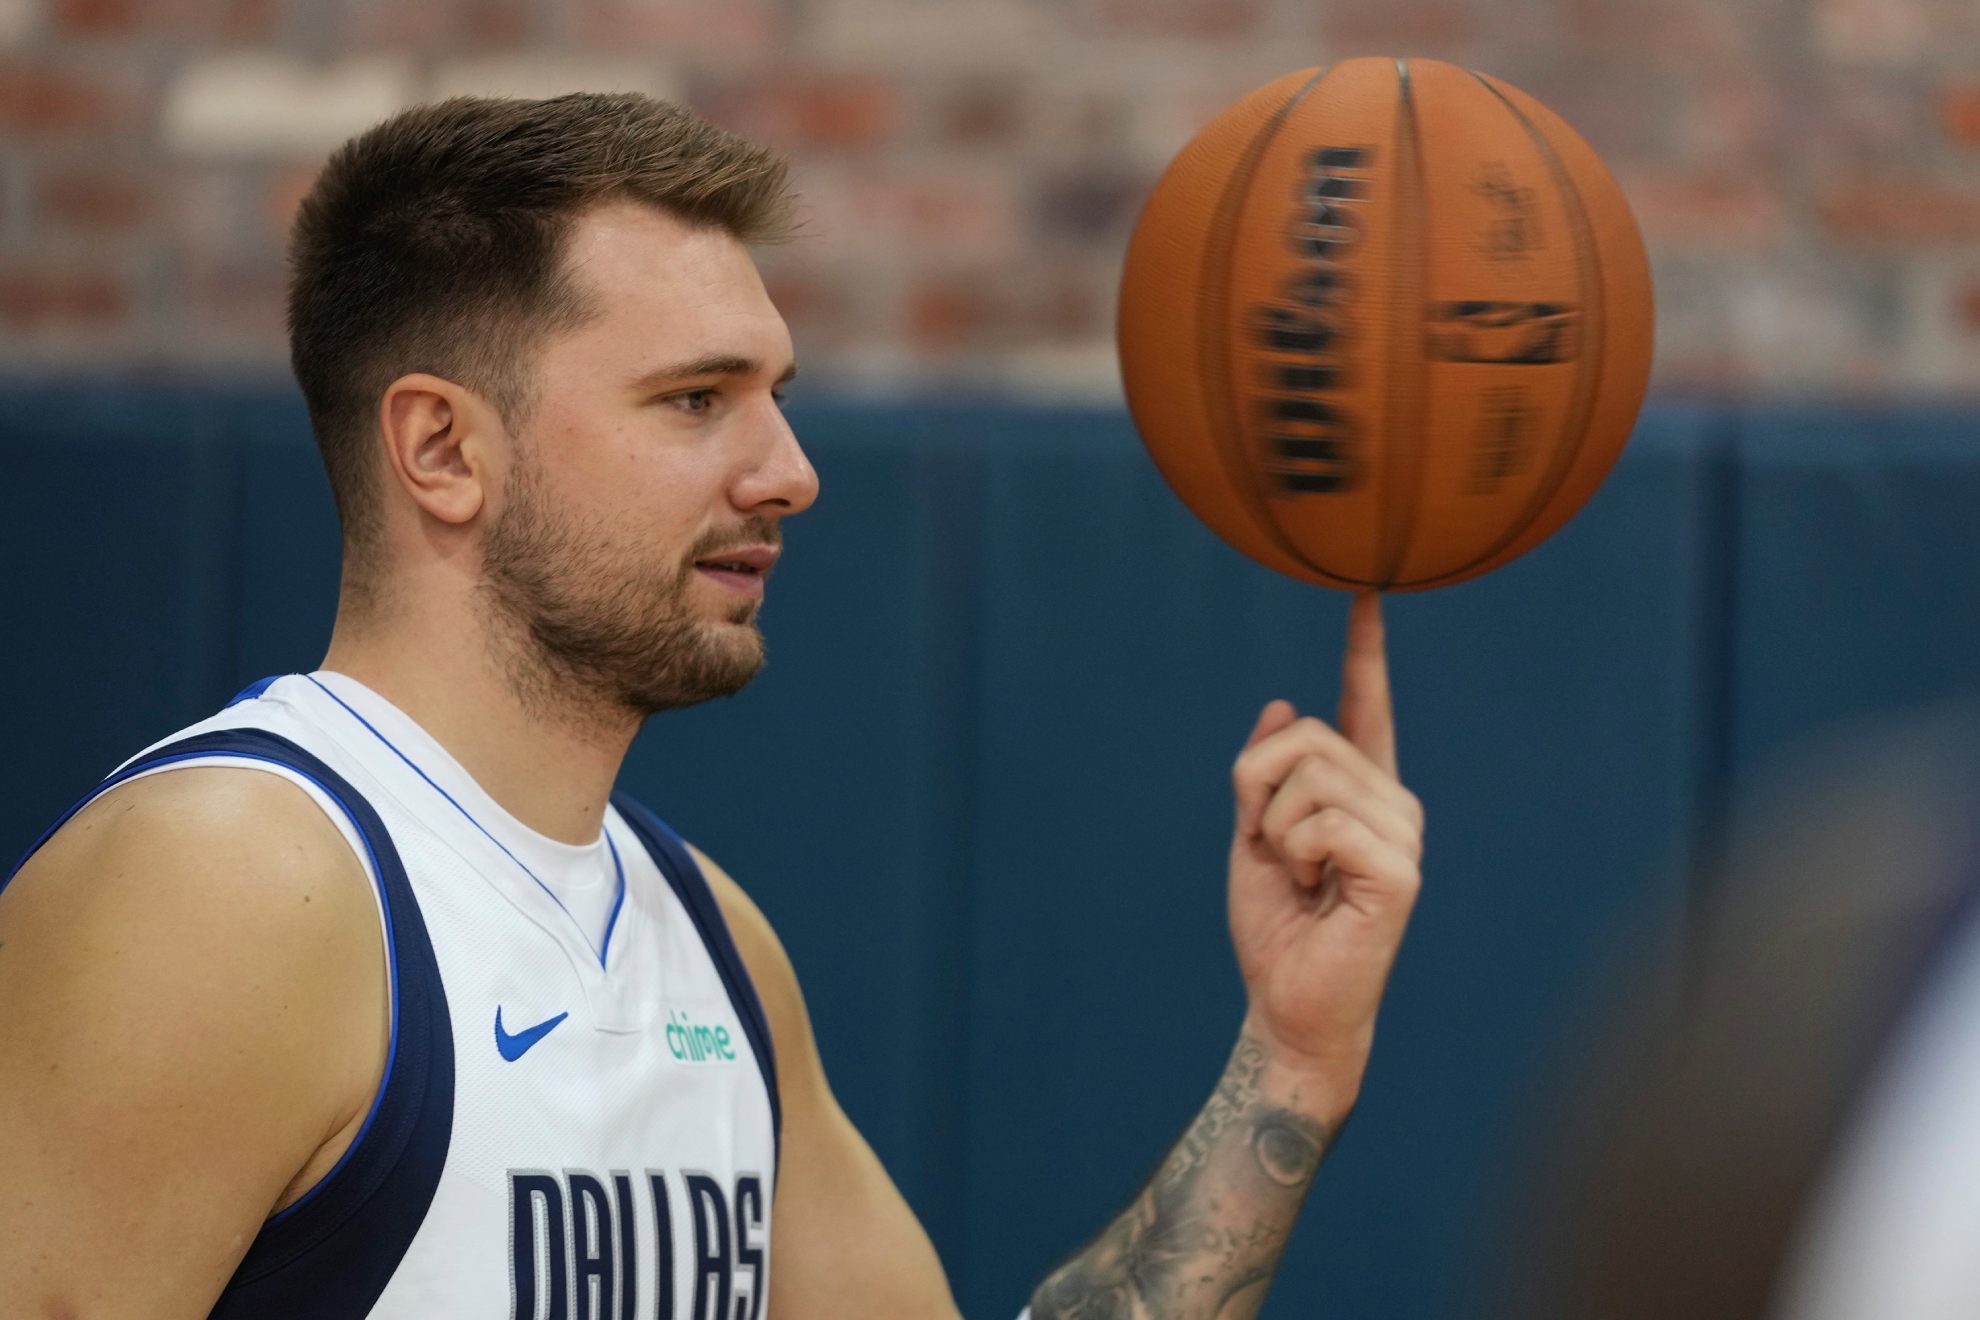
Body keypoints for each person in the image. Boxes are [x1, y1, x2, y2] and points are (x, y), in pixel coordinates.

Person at [0, 93, 1424, 1320]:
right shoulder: (224, 888)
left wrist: (1291, 1063)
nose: (790, 470)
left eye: (775, 394)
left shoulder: (709, 943)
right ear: (442, 446)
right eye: (695, 400)